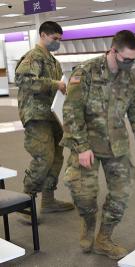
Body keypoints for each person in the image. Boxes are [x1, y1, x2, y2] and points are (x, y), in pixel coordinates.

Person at [61, 30, 135, 260]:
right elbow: (71, 112)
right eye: (126, 59)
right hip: (87, 144)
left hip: (116, 145)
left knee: (122, 192)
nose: (130, 64)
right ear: (113, 51)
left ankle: (104, 239)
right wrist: (82, 147)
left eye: (134, 60)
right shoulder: (86, 72)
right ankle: (88, 224)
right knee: (83, 195)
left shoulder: (130, 78)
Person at [15, 21, 74, 213]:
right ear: (43, 35)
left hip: (52, 116)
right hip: (36, 116)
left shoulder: (53, 61)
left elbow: (56, 89)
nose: (57, 42)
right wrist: (54, 84)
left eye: (59, 39)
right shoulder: (33, 57)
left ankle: (48, 200)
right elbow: (23, 80)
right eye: (54, 38)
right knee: (43, 158)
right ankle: (26, 203)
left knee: (56, 158)